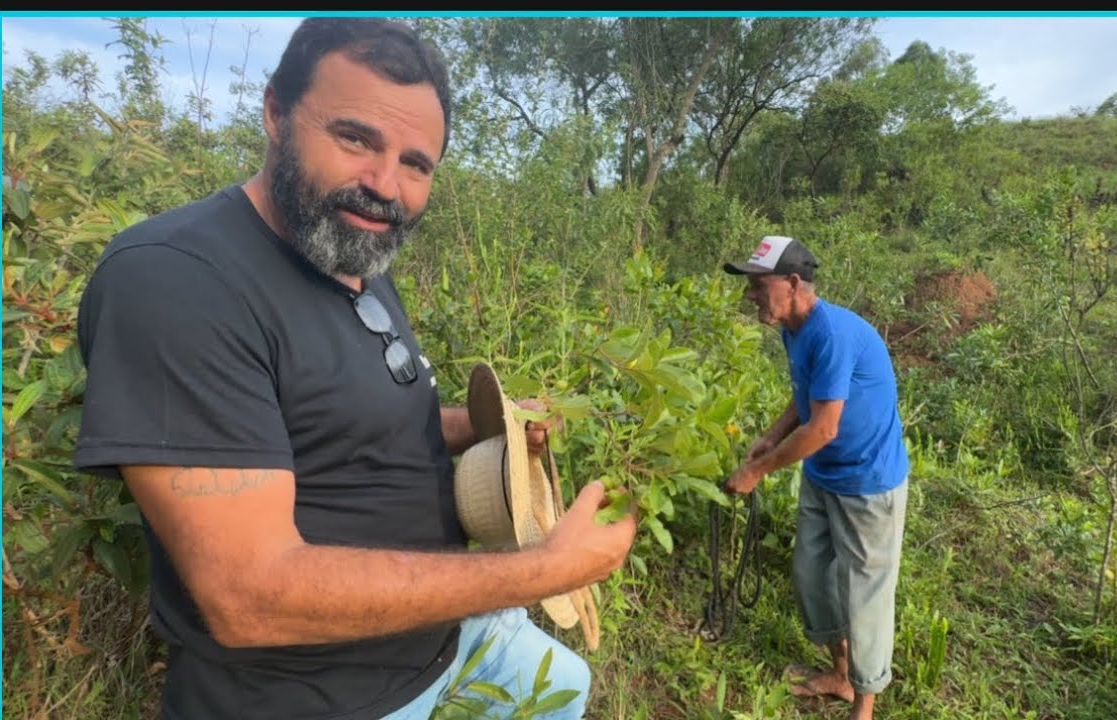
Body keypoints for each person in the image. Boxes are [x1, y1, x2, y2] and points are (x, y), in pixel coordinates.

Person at [72, 18, 636, 720]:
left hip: (454, 635)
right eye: (355, 138)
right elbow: (248, 595)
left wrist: (482, 426)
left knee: (567, 684)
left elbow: (334, 417)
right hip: (324, 694)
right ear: (276, 112)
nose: (384, 186)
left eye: (416, 164)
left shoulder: (349, 251)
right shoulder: (178, 281)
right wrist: (543, 572)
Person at [721, 236, 909, 720]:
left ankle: (863, 707)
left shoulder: (832, 333)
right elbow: (806, 394)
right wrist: (770, 436)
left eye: (759, 287)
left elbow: (824, 427)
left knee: (863, 594)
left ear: (793, 283)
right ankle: (840, 676)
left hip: (868, 482)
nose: (751, 298)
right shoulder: (792, 327)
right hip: (823, 474)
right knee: (810, 575)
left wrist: (756, 470)